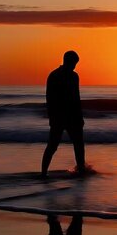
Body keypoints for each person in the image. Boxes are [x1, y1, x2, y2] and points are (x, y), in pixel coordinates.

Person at [41, 50, 86, 178]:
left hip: (71, 116)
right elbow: (50, 98)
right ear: (67, 61)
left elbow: (76, 98)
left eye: (75, 64)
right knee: (53, 145)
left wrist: (80, 117)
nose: (74, 66)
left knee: (78, 144)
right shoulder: (55, 76)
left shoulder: (73, 76)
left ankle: (81, 169)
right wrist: (52, 117)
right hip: (59, 117)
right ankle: (43, 173)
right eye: (73, 63)